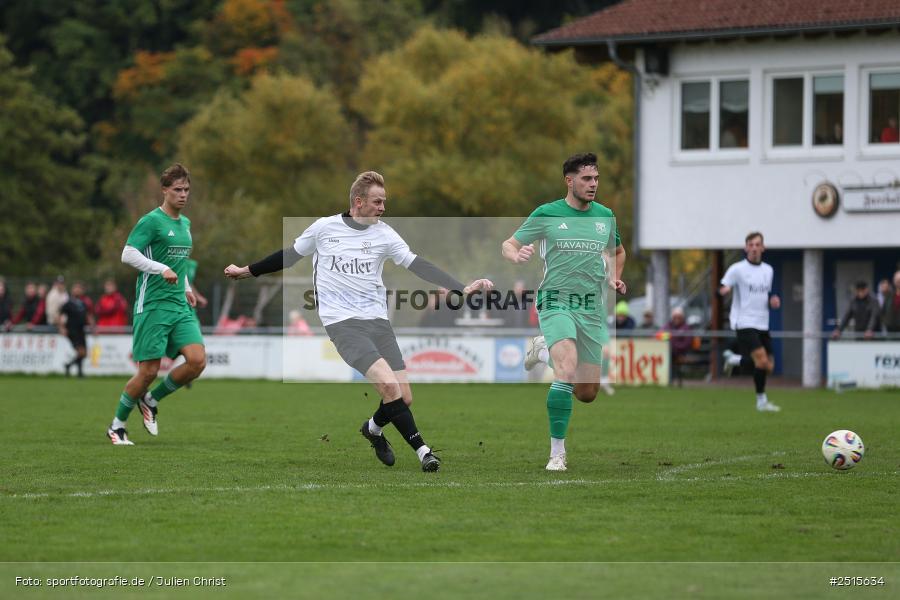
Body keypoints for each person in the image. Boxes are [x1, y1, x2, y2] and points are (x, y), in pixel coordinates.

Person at [225, 171, 492, 472]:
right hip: (343, 323)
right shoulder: (325, 228)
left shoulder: (385, 233)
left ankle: (373, 429)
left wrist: (461, 287)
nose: (382, 207)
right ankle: (424, 451)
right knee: (390, 389)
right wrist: (246, 270)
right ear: (358, 201)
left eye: (384, 202)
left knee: (403, 397)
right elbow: (288, 256)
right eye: (377, 202)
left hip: (378, 321)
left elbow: (417, 264)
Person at [502, 152, 626, 471]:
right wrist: (516, 255)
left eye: (596, 178)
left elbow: (618, 252)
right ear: (569, 181)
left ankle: (541, 350)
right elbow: (509, 244)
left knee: (587, 392)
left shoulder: (605, 216)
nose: (593, 184)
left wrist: (614, 275)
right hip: (555, 301)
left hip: (590, 309)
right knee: (566, 370)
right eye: (586, 178)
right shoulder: (548, 213)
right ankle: (557, 454)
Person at [106, 163, 206, 446]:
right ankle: (117, 426)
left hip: (178, 306)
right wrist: (159, 268)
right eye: (177, 190)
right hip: (152, 305)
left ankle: (150, 400)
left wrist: (186, 287)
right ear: (164, 191)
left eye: (187, 189)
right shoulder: (150, 221)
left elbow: (180, 263)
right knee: (148, 371)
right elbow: (128, 254)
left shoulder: (185, 224)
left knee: (197, 361)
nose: (183, 195)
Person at [719, 232, 781, 412]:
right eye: (751, 245)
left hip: (763, 322)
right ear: (746, 248)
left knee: (769, 366)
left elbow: (765, 295)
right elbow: (721, 287)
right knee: (761, 361)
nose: (754, 248)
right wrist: (723, 290)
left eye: (757, 244)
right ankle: (761, 402)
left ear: (763, 248)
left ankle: (735, 360)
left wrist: (772, 302)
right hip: (744, 321)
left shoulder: (768, 270)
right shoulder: (737, 269)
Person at [58, 282, 93, 377]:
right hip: (72, 330)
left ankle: (70, 367)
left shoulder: (83, 303)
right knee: (81, 352)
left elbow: (88, 315)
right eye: (76, 288)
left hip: (81, 330)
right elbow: (61, 315)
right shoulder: (68, 303)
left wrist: (93, 326)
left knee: (84, 353)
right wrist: (62, 328)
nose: (77, 290)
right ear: (72, 290)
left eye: (79, 288)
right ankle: (78, 372)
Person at [664, 307, 693, 387]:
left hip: (681, 353)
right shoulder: (668, 326)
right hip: (668, 352)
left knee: (672, 357)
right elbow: (661, 335)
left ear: (682, 318)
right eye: (675, 317)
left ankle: (674, 381)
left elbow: (686, 343)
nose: (677, 319)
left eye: (679, 317)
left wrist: (674, 344)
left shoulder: (686, 328)